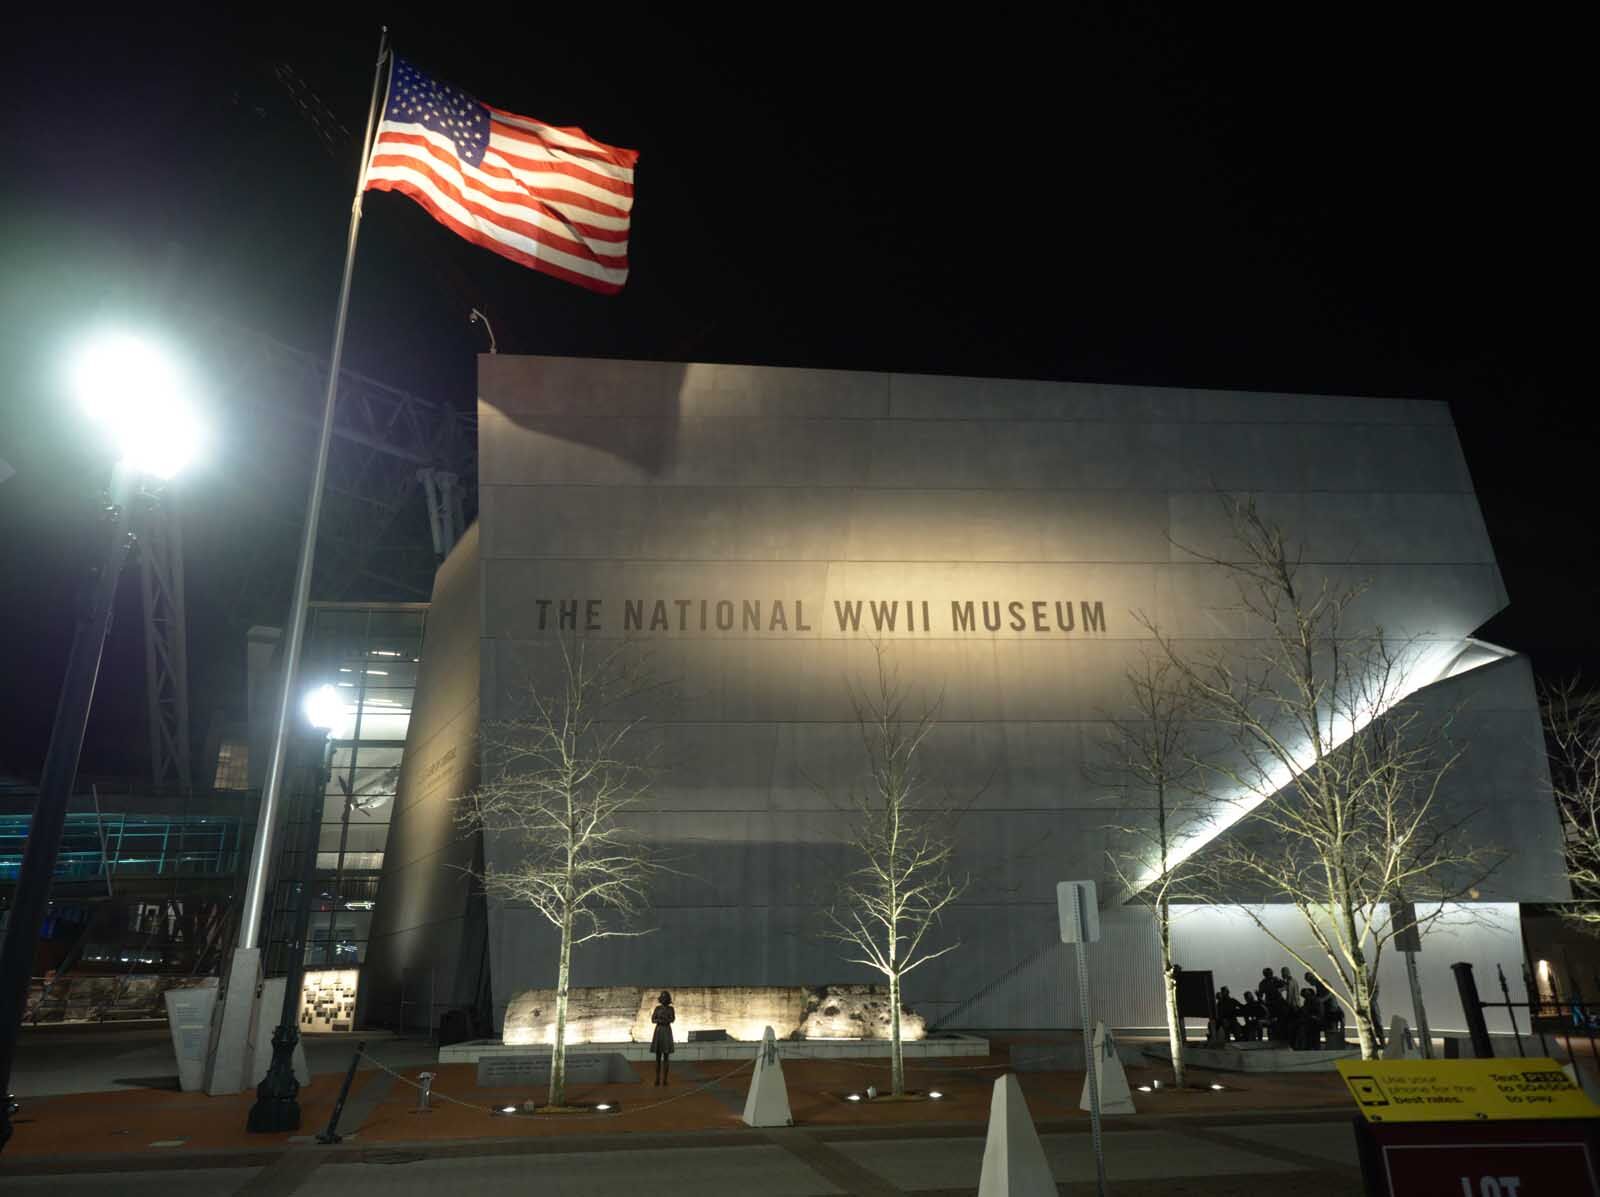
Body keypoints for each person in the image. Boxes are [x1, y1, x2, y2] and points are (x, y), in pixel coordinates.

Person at [651, 990, 676, 1085]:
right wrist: (660, 1020)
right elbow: (653, 1019)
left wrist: (665, 1020)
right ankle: (657, 1078)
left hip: (666, 1031)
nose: (664, 999)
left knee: (666, 1057)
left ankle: (665, 1079)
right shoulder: (657, 1008)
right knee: (658, 1057)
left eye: (665, 997)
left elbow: (672, 1019)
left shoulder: (671, 1009)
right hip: (659, 1031)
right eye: (663, 997)